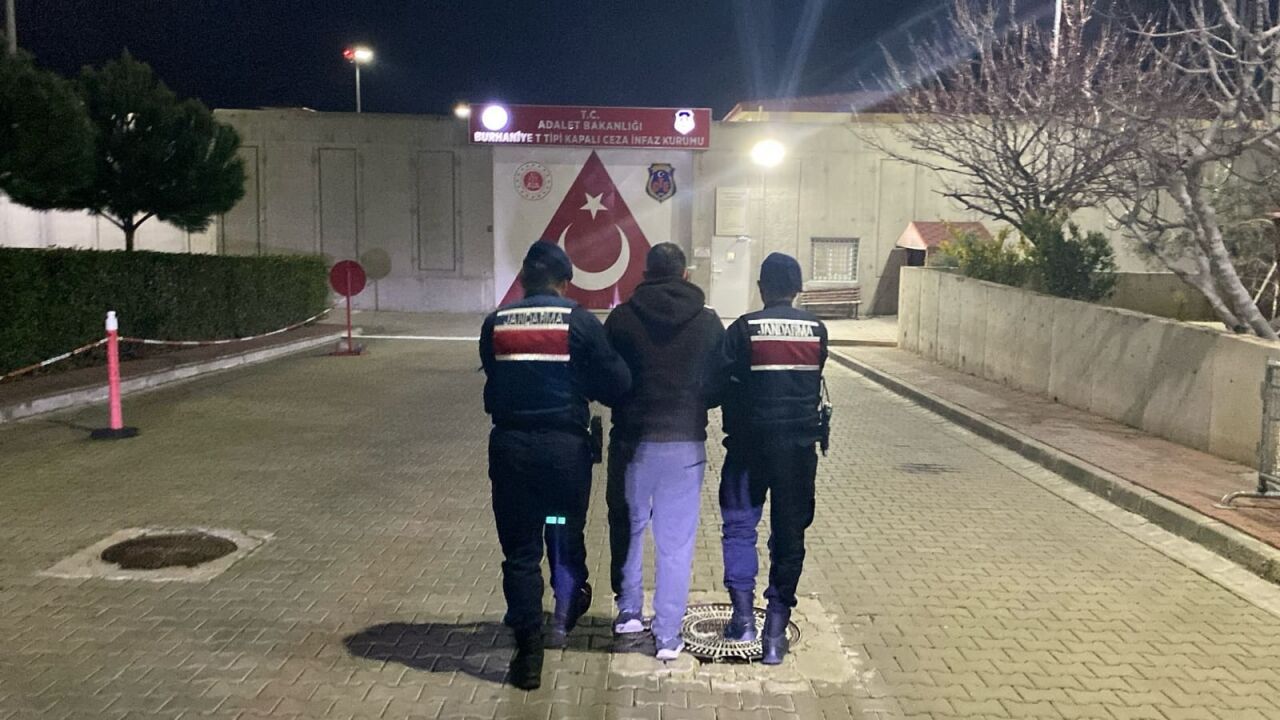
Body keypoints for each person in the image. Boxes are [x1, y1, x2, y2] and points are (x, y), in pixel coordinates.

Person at [479, 241, 632, 690]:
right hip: (564, 453)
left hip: (511, 450)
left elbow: (493, 373)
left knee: (521, 552)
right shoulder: (578, 322)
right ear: (565, 282)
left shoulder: (497, 322)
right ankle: (569, 601)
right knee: (562, 530)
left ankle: (528, 655)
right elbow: (617, 383)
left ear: (525, 281)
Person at [604, 242, 725, 660]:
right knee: (676, 541)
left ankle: (628, 612)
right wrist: (697, 402)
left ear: (645, 274)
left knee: (629, 527)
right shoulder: (708, 322)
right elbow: (720, 381)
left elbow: (606, 376)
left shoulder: (621, 318)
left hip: (632, 441)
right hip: (685, 443)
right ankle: (669, 635)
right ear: (685, 274)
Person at [712, 252, 829, 665]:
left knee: (739, 528)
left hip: (748, 449)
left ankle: (743, 618)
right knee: (789, 536)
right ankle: (775, 633)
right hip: (797, 453)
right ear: (797, 289)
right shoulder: (817, 330)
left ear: (761, 288)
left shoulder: (743, 329)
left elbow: (719, 383)